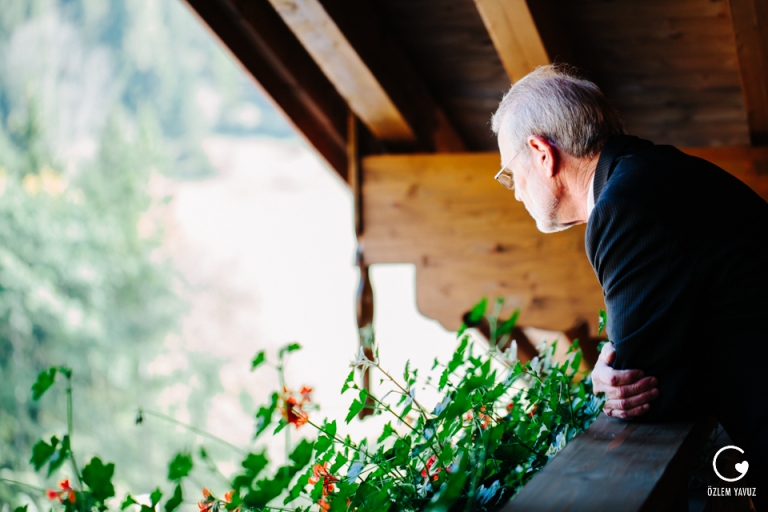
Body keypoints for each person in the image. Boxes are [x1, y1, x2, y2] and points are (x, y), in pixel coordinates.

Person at [491, 64, 768, 498]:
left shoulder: (625, 206)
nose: (516, 191)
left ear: (541, 153)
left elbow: (648, 390)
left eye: (510, 173)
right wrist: (613, 367)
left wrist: (612, 378)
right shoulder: (655, 171)